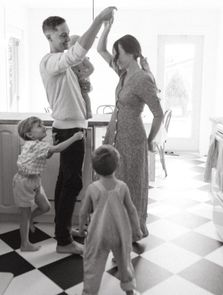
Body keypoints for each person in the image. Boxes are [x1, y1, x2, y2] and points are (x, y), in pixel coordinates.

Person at [40, 7, 116, 254]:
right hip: (69, 131)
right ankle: (63, 242)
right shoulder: (51, 62)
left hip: (71, 129)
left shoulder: (62, 66)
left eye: (67, 34)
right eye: (62, 35)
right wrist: (98, 21)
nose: (66, 38)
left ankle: (61, 231)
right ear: (49, 36)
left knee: (66, 183)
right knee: (72, 185)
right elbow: (77, 53)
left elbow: (80, 62)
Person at [97, 19, 164, 237]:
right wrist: (106, 28)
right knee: (113, 183)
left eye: (119, 54)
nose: (115, 58)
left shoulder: (143, 79)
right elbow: (100, 49)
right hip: (114, 137)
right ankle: (116, 226)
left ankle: (133, 229)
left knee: (131, 185)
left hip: (132, 138)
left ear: (132, 53)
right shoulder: (123, 73)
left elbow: (158, 114)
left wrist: (149, 140)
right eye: (115, 55)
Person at [78, 144, 142, 295]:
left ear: (94, 169)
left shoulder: (93, 188)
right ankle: (129, 290)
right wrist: (137, 228)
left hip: (98, 234)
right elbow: (132, 210)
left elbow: (83, 212)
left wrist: (81, 228)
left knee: (93, 265)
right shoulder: (122, 186)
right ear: (117, 166)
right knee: (125, 262)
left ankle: (89, 292)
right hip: (120, 233)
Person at [13, 116, 84, 252]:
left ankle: (30, 219)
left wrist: (53, 143)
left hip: (34, 181)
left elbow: (47, 154)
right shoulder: (35, 145)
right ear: (29, 134)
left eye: (43, 124)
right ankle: (25, 244)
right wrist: (75, 138)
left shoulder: (36, 144)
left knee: (45, 207)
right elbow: (57, 149)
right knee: (24, 213)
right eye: (39, 126)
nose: (44, 127)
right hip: (24, 183)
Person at [69, 35, 94, 119]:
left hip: (83, 81)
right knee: (74, 96)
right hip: (74, 82)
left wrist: (84, 75)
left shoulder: (82, 58)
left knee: (84, 95)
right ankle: (76, 111)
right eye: (70, 48)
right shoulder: (69, 58)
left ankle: (89, 111)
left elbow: (91, 68)